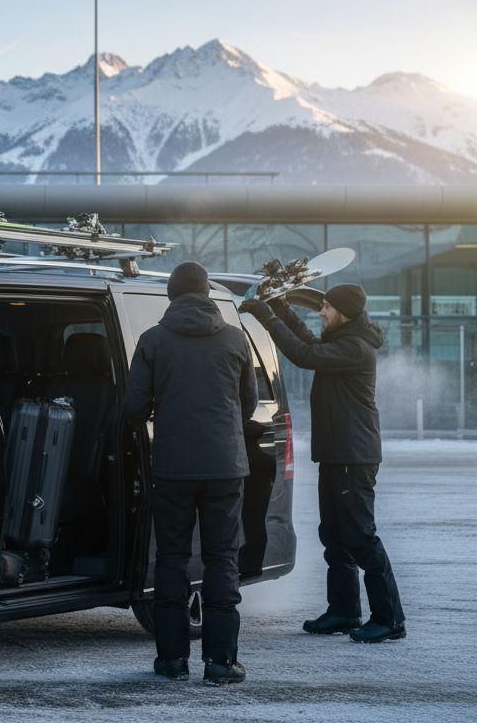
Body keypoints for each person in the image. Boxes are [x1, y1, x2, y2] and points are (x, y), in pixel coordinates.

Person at [240, 284, 405, 643]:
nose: (322, 311)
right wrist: (281, 308)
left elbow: (303, 354)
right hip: (336, 453)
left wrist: (265, 316)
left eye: (327, 307)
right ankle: (344, 611)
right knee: (334, 536)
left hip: (353, 456)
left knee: (360, 537)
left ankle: (389, 619)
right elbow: (309, 342)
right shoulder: (343, 338)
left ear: (345, 312)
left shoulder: (355, 348)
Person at [124, 261, 256, 686]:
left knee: (172, 559)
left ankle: (172, 661)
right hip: (225, 467)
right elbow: (249, 404)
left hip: (174, 469)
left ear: (171, 294)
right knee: (222, 559)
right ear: (207, 293)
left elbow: (132, 409)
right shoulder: (236, 339)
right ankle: (220, 662)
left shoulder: (153, 340)